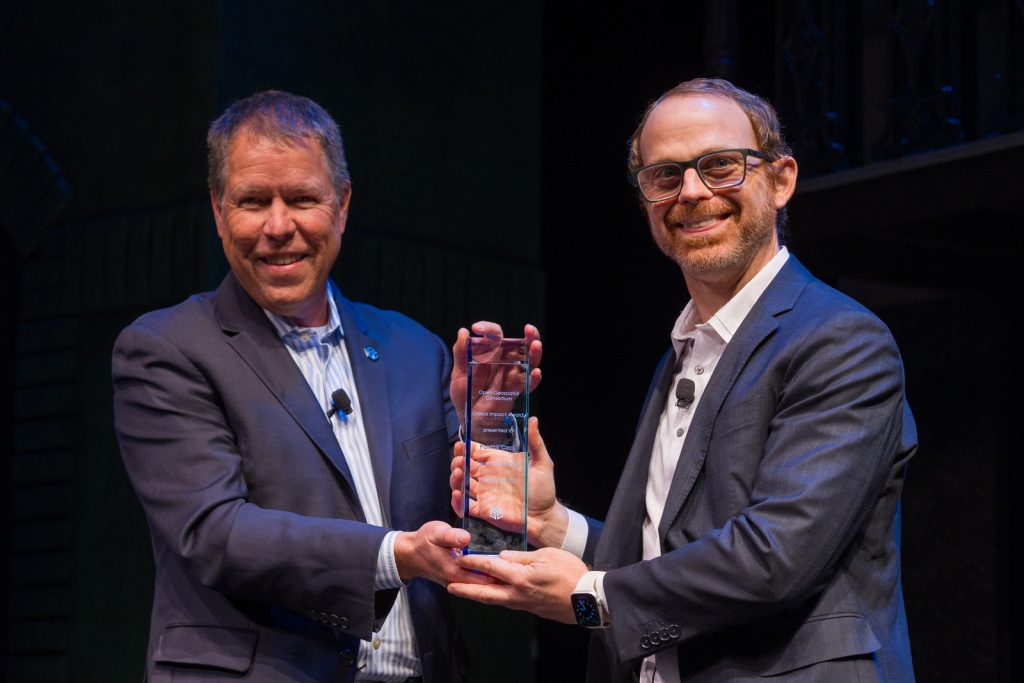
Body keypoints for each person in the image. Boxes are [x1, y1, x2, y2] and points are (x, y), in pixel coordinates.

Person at [449, 77, 918, 682]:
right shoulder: (684, 349)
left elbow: (774, 556)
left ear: (781, 181)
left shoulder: (840, 339)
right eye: (665, 175)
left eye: (720, 165)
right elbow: (668, 557)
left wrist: (591, 596)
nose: (691, 191)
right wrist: (553, 524)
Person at [112, 90, 539, 683]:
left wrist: (487, 431)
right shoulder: (167, 348)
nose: (278, 226)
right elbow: (214, 532)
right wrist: (393, 555)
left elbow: (473, 535)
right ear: (217, 209)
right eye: (253, 201)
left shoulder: (415, 351)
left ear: (342, 205)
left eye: (302, 199)